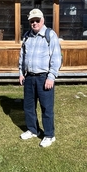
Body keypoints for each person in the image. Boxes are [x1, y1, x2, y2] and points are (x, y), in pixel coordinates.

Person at [18, 8, 62, 148]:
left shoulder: (50, 35)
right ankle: (33, 130)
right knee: (28, 107)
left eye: (37, 20)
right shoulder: (26, 36)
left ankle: (49, 135)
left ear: (42, 20)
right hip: (29, 77)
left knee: (46, 108)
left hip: (44, 78)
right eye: (32, 21)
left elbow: (56, 57)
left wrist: (51, 76)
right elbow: (22, 56)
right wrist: (21, 72)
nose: (34, 23)